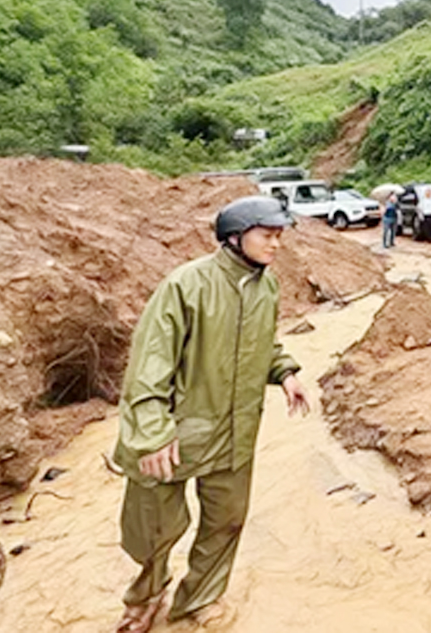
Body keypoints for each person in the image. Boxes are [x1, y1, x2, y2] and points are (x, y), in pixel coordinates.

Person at [111, 195, 310, 632]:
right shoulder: (186, 285)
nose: (276, 245)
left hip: (236, 431)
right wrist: (151, 434)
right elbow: (148, 366)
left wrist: (286, 373)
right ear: (235, 237)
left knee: (227, 521)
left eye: (280, 236)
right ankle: (145, 596)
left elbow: (264, 344)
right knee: (154, 531)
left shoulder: (267, 286)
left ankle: (197, 600)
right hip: (175, 433)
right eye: (268, 236)